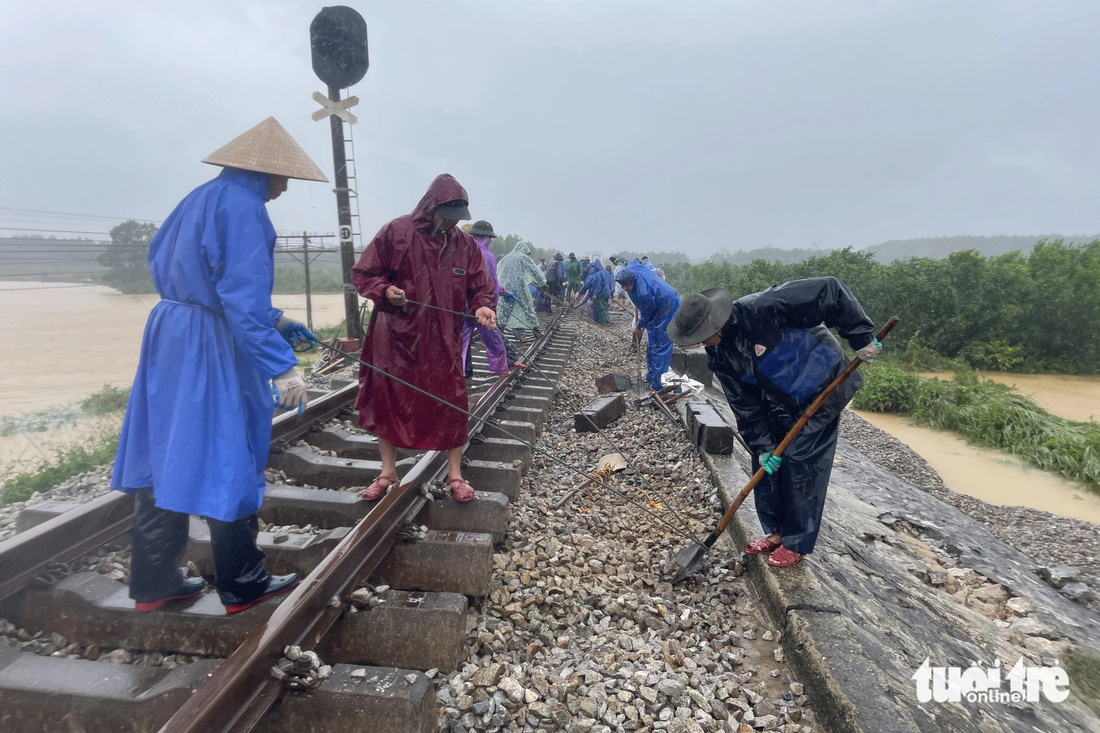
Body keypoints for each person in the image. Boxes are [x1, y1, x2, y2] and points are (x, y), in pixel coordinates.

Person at [112, 117, 326, 613]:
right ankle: (244, 583)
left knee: (162, 452)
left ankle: (153, 579)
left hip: (169, 337)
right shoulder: (245, 207)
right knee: (228, 448)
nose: (286, 187)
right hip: (211, 342)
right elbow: (240, 296)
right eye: (284, 177)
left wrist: (278, 319)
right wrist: (281, 365)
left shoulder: (196, 199)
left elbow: (204, 280)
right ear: (266, 172)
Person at [667, 277, 882, 568]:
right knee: (766, 461)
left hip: (821, 385)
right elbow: (745, 405)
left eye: (704, 336)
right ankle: (777, 532)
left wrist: (861, 337)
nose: (703, 343)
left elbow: (829, 290)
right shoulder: (719, 355)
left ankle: (797, 542)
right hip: (778, 398)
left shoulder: (763, 308)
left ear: (717, 323)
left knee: (801, 460)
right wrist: (763, 444)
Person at [352, 174, 497, 504]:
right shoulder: (398, 232)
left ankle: (455, 474)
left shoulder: (463, 244)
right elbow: (364, 274)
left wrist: (482, 307)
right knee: (387, 398)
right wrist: (385, 290)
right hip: (395, 337)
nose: (450, 224)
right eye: (446, 216)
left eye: (457, 219)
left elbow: (480, 287)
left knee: (451, 401)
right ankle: (387, 471)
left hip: (442, 339)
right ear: (432, 207)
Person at [616, 259, 680, 391]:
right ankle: (650, 375)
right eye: (623, 286)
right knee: (651, 341)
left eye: (626, 286)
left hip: (667, 305)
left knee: (660, 345)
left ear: (632, 281)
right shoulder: (634, 271)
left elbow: (646, 315)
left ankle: (657, 384)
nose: (625, 289)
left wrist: (638, 326)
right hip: (658, 302)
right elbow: (633, 262)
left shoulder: (643, 294)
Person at [462, 220, 512, 378]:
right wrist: (502, 291)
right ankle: (501, 368)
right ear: (487, 237)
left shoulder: (463, 251)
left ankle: (458, 374)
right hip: (483, 303)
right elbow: (490, 281)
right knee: (492, 335)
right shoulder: (487, 256)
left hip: (462, 304)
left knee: (461, 340)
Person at [497, 241, 546, 341]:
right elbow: (534, 270)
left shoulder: (506, 258)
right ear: (523, 249)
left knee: (506, 310)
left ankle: (499, 332)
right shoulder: (523, 258)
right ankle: (536, 332)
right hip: (519, 287)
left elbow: (500, 273)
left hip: (506, 288)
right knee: (526, 308)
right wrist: (541, 283)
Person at [577, 257, 612, 325]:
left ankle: (600, 323)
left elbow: (589, 285)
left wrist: (580, 292)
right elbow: (609, 283)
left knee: (598, 310)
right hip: (607, 294)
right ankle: (606, 321)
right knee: (604, 309)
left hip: (599, 294)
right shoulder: (605, 273)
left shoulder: (596, 274)